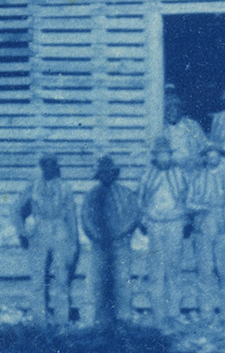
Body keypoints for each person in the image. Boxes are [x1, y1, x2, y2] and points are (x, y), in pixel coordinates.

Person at [13, 154, 78, 324]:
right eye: (46, 166)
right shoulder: (33, 187)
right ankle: (39, 322)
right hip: (39, 232)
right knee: (38, 279)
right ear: (41, 168)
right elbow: (16, 209)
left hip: (60, 231)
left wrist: (74, 242)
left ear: (56, 168)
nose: (49, 169)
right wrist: (23, 232)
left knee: (62, 278)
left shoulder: (65, 187)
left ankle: (61, 321)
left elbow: (71, 216)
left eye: (52, 166)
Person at [81, 155, 141, 327]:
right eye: (103, 173)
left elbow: (134, 215)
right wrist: (98, 236)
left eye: (109, 173)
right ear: (99, 176)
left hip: (120, 245)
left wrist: (119, 234)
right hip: (100, 246)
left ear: (114, 174)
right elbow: (86, 218)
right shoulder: (92, 195)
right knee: (97, 281)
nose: (106, 176)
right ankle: (96, 319)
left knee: (122, 281)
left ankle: (124, 317)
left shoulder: (125, 193)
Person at [139, 136, 189, 325]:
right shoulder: (148, 174)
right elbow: (140, 198)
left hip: (174, 223)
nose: (163, 159)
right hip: (155, 224)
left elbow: (187, 196)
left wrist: (184, 218)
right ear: (155, 157)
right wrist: (145, 218)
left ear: (170, 155)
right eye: (160, 155)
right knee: (156, 268)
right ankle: (158, 314)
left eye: (166, 155)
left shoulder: (179, 174)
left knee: (174, 267)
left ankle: (174, 313)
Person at [186, 141, 225, 319]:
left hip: (223, 227)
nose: (212, 158)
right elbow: (188, 203)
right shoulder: (197, 178)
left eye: (215, 155)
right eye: (209, 155)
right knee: (205, 270)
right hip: (203, 226)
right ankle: (205, 312)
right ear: (205, 158)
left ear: (220, 158)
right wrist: (201, 207)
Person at [163, 94, 208, 171]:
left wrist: (195, 159)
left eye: (175, 109)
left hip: (192, 167)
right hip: (171, 168)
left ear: (180, 110)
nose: (172, 113)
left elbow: (204, 146)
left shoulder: (192, 125)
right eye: (168, 110)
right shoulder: (162, 128)